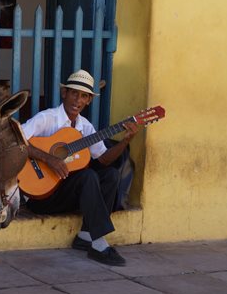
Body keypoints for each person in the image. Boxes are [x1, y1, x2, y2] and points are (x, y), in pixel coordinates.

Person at [20, 70, 143, 267]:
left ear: (88, 101)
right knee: (87, 176)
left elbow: (103, 159)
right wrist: (49, 159)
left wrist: (125, 140)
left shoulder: (85, 127)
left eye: (84, 96)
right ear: (64, 94)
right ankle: (99, 243)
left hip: (67, 196)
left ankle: (86, 235)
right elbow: (17, 142)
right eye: (74, 93)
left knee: (110, 175)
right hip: (41, 196)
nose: (78, 100)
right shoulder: (47, 118)